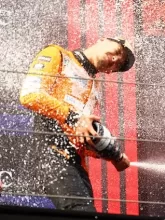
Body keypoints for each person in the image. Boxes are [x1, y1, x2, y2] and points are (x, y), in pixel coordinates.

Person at [18, 37, 134, 211]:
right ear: (102, 40)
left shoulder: (94, 87)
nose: (116, 59)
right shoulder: (57, 54)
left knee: (88, 212)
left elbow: (80, 134)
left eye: (118, 65)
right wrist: (74, 117)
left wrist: (109, 150)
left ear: (110, 73)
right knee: (82, 211)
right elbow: (30, 94)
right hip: (50, 154)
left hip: (77, 165)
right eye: (118, 52)